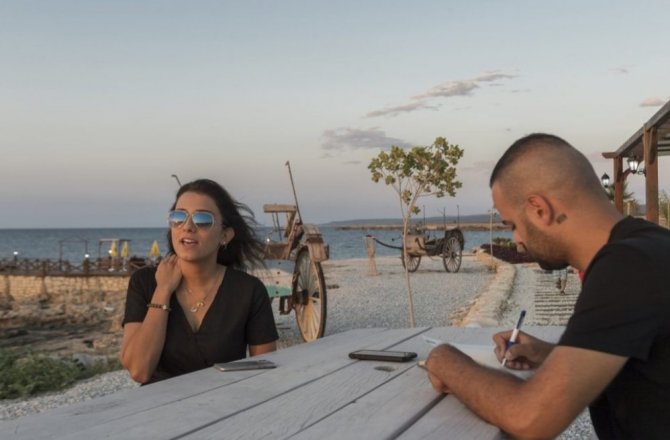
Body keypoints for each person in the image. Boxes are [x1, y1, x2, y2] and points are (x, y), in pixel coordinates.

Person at [425, 133, 670, 439]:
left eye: (513, 225)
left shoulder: (626, 267)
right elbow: (642, 371)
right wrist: (549, 355)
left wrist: (446, 361)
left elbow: (529, 419)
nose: (516, 240)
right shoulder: (650, 245)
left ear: (539, 209)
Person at [120, 179, 278, 384]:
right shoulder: (145, 282)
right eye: (179, 217)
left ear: (225, 235)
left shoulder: (248, 291)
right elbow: (138, 371)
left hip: (227, 400)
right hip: (157, 403)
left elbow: (263, 372)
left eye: (202, 220)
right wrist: (163, 290)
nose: (187, 227)